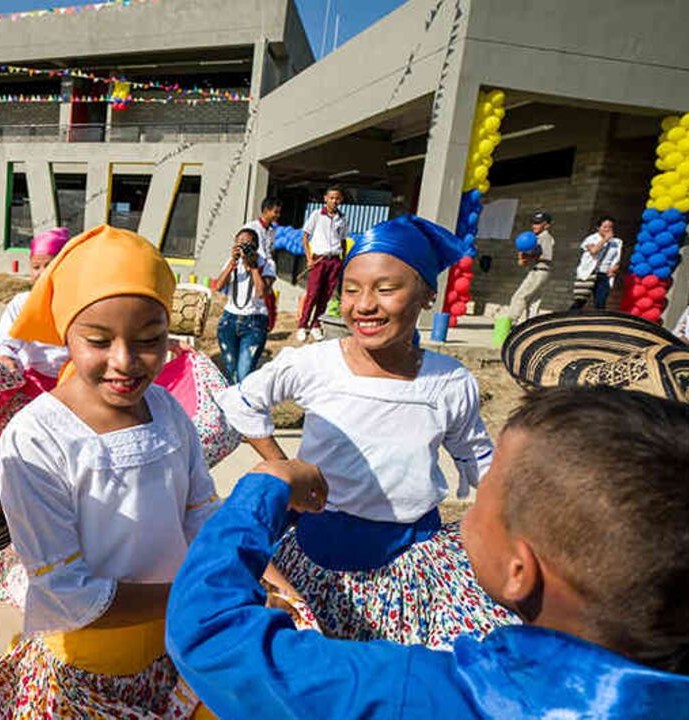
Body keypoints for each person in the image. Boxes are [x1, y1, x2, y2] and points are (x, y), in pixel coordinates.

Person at [166, 388, 689, 718]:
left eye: (489, 489)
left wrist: (262, 489)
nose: (473, 488)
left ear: (519, 570)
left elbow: (210, 633)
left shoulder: (427, 696)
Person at [0, 226, 220, 718]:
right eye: (99, 340)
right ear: (65, 337)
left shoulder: (165, 409)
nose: (124, 361)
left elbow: (202, 513)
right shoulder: (35, 439)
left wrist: (244, 571)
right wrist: (193, 596)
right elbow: (70, 597)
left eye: (149, 340)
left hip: (175, 650)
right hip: (82, 669)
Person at [216, 215, 513, 648]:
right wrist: (285, 469)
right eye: (351, 289)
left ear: (428, 294)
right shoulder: (313, 363)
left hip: (413, 568)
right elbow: (241, 401)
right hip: (317, 560)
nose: (364, 305)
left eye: (386, 289)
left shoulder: (449, 381)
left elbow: (480, 461)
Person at [0, 227, 71, 378]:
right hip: (33, 378)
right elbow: (8, 340)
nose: (42, 273)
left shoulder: (78, 302)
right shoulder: (22, 302)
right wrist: (5, 356)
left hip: (72, 380)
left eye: (49, 265)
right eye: (36, 267)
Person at [212, 227, 277, 384]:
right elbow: (218, 287)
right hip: (229, 320)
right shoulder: (232, 262)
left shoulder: (267, 264)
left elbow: (261, 293)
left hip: (254, 322)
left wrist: (253, 267)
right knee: (232, 374)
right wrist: (232, 263)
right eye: (239, 243)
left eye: (247, 243)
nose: (243, 247)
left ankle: (242, 406)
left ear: (256, 245)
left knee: (244, 375)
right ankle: (233, 407)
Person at [298, 187, 348, 343]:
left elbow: (343, 240)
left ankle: (315, 323)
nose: (334, 201)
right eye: (331, 198)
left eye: (337, 198)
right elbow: (305, 237)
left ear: (341, 200)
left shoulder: (343, 218)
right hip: (319, 259)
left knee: (326, 295)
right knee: (313, 293)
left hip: (334, 260)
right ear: (325, 198)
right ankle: (302, 324)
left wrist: (343, 259)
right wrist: (309, 259)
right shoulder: (317, 215)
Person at [504, 211, 554, 323]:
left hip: (539, 271)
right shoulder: (536, 237)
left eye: (538, 223)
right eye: (534, 223)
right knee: (534, 300)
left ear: (546, 225)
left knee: (520, 296)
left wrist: (528, 255)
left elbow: (547, 257)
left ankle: (511, 321)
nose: (534, 226)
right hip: (540, 271)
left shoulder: (544, 237)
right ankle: (532, 324)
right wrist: (524, 257)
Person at [244, 196, 283, 334]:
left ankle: (265, 326)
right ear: (266, 210)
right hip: (255, 267)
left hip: (267, 268)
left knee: (268, 298)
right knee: (254, 297)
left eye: (279, 212)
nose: (277, 215)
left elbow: (269, 250)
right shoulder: (251, 227)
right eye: (275, 212)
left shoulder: (272, 230)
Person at [570, 216, 621, 310]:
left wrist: (615, 268)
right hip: (589, 273)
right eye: (605, 227)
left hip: (604, 274)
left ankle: (598, 322)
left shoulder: (617, 242)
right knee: (580, 300)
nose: (608, 229)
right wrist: (605, 239)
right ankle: (568, 318)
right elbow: (593, 251)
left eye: (610, 227)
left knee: (600, 303)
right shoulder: (591, 239)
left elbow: (617, 259)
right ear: (598, 228)